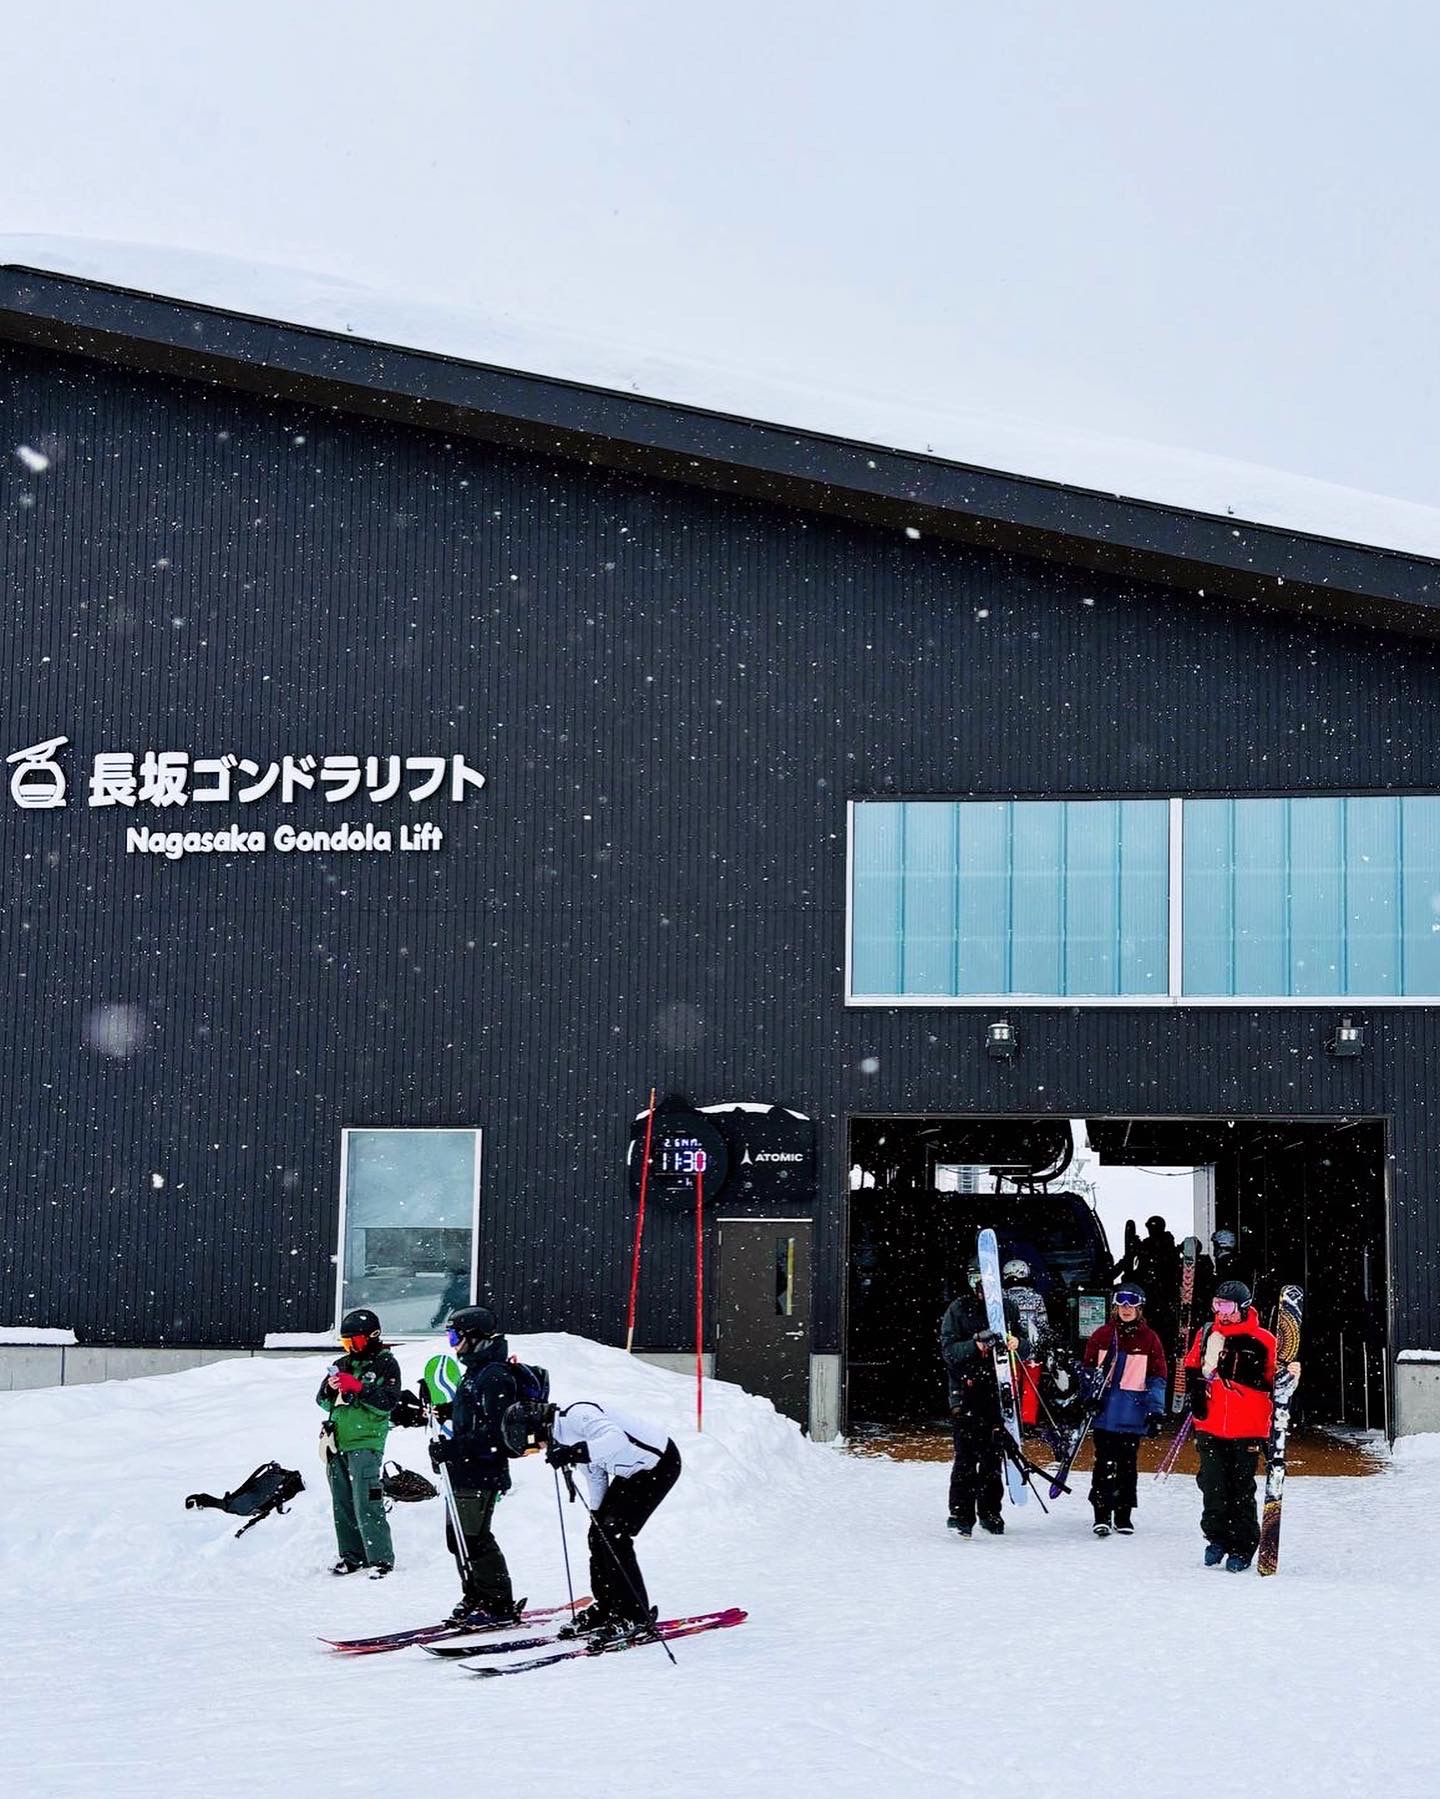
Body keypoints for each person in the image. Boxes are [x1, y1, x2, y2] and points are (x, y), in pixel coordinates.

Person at [505, 1397, 681, 1645]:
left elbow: (615, 1439)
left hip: (658, 1465)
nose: (540, 1449)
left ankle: (636, 1615)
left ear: (534, 1427)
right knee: (598, 1534)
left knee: (615, 1535)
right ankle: (608, 1606)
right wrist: (596, 1514)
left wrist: (574, 1452)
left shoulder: (577, 1415)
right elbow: (595, 1474)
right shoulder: (562, 1439)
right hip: (631, 1472)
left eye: (534, 1445)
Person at [428, 1304, 522, 1623]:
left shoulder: (494, 1374)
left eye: (455, 1336)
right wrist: (439, 1412)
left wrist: (454, 1449)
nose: (452, 1344)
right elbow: (471, 1416)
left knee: (474, 1539)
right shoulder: (477, 1370)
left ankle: (497, 1602)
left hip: (481, 1471)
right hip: (464, 1470)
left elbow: (497, 1431)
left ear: (474, 1337)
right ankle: (475, 1595)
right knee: (459, 1541)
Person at [1182, 1279, 1280, 1571]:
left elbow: (1277, 1378)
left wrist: (1291, 1375)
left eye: (1227, 1307)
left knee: (1240, 1488)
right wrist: (1195, 1389)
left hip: (1247, 1427)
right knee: (1212, 1484)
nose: (1221, 1312)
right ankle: (1217, 1538)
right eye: (1217, 1305)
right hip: (1210, 1424)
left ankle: (1242, 1546)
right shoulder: (1207, 1333)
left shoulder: (1263, 1340)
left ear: (1243, 1308)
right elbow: (1191, 1365)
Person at [317, 1306, 401, 1577]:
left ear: (373, 1336)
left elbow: (388, 1403)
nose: (350, 1346)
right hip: (337, 1442)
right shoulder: (343, 1364)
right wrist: (329, 1388)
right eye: (345, 1342)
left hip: (366, 1442)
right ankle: (352, 1556)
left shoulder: (386, 1364)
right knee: (342, 1502)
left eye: (355, 1341)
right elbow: (321, 1401)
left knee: (367, 1500)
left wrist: (359, 1388)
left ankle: (380, 1558)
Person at [939, 1259, 1020, 1538]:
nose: (985, 1288)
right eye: (980, 1282)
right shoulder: (959, 1309)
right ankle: (961, 1513)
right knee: (965, 1457)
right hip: (967, 1391)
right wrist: (975, 1344)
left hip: (998, 1392)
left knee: (992, 1457)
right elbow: (949, 1352)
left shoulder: (1008, 1308)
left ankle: (990, 1512)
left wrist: (1017, 1342)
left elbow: (1028, 1341)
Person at [1081, 1286, 1168, 1537]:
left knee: (1127, 1465)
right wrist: (1090, 1398)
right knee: (1104, 1463)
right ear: (1115, 1307)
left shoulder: (1149, 1339)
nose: (1126, 1309)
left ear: (1140, 1309)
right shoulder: (1101, 1335)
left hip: (1132, 1413)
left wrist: (1155, 1410)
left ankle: (1123, 1514)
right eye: (1122, 1304)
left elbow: (1156, 1377)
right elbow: (1088, 1370)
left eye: (1132, 1305)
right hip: (1105, 1413)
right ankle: (1101, 1512)